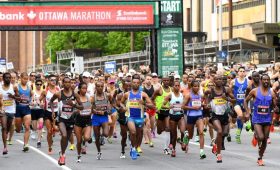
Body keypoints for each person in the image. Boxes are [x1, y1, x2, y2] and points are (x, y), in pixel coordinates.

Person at [244, 74, 278, 166]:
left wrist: (275, 108)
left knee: (265, 139)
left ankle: (260, 157)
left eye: (268, 80)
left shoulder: (272, 92)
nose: (266, 81)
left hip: (267, 119)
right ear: (261, 81)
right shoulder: (254, 91)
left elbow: (275, 105)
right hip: (257, 118)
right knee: (261, 137)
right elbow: (245, 101)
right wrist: (247, 112)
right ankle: (256, 136)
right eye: (264, 80)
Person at [50, 76, 83, 166]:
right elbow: (51, 101)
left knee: (66, 139)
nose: (68, 84)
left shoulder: (75, 94)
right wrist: (53, 111)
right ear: (63, 83)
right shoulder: (59, 94)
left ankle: (62, 153)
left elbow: (82, 107)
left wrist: (74, 105)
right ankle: (63, 155)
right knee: (64, 135)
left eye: (69, 82)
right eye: (66, 82)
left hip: (71, 119)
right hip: (61, 118)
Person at [120, 74, 155, 160]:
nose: (135, 84)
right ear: (132, 83)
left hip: (140, 118)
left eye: (137, 83)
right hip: (130, 117)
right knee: (133, 132)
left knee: (139, 135)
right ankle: (133, 148)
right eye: (134, 82)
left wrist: (143, 103)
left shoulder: (143, 94)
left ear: (139, 84)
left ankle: (136, 146)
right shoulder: (127, 94)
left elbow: (152, 105)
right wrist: (123, 107)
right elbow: (120, 102)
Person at [205, 74, 235, 163]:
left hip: (224, 115)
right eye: (216, 79)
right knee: (220, 131)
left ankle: (215, 144)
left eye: (220, 79)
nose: (218, 80)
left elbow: (234, 100)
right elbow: (205, 94)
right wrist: (207, 103)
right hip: (215, 115)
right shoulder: (210, 90)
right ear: (214, 81)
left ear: (222, 81)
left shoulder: (227, 90)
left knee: (225, 133)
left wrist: (227, 99)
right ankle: (219, 155)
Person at [182, 80, 206, 159]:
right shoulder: (188, 95)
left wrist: (203, 105)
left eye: (198, 86)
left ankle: (202, 151)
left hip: (199, 115)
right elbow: (183, 106)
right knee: (191, 136)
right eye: (195, 86)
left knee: (201, 132)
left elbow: (201, 104)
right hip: (191, 116)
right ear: (192, 87)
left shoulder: (200, 95)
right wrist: (193, 108)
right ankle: (186, 137)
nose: (196, 87)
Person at [162, 81, 186, 157]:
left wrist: (183, 106)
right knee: (174, 134)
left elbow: (185, 105)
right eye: (175, 85)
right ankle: (173, 150)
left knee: (183, 131)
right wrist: (169, 107)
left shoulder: (182, 95)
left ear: (180, 86)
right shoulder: (170, 95)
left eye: (178, 85)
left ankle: (182, 142)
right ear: (173, 87)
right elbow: (163, 105)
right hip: (172, 116)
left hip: (180, 115)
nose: (177, 87)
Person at [91, 81, 113, 160]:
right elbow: (91, 109)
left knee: (106, 134)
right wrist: (96, 111)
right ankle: (99, 151)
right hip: (96, 118)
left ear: (103, 87)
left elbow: (111, 103)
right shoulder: (93, 97)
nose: (100, 88)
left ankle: (102, 137)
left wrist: (109, 109)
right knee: (96, 137)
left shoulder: (107, 95)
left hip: (104, 117)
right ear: (96, 87)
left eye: (101, 86)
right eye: (98, 86)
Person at [40, 74, 60, 154]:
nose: (53, 81)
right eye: (51, 80)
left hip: (56, 112)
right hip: (47, 112)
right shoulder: (45, 91)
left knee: (56, 129)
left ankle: (53, 132)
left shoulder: (58, 90)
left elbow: (61, 100)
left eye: (55, 80)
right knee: (49, 131)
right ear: (48, 81)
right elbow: (39, 99)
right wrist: (40, 103)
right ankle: (50, 147)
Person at [152, 76, 172, 155]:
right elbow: (152, 98)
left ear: (169, 81)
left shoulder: (171, 90)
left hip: (167, 111)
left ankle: (165, 148)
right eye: (165, 80)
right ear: (162, 81)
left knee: (167, 128)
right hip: (159, 112)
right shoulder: (159, 90)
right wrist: (155, 107)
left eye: (168, 80)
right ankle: (156, 128)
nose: (166, 82)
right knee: (159, 131)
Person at [0, 72, 18, 155]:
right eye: (6, 78)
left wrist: (13, 96)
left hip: (11, 110)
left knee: (8, 127)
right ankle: (5, 147)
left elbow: (19, 99)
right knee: (3, 127)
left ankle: (6, 135)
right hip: (3, 110)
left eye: (9, 78)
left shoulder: (13, 87)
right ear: (3, 79)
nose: (8, 79)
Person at [229, 66, 249, 144]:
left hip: (244, 102)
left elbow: (250, 91)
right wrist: (232, 99)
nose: (242, 72)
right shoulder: (233, 81)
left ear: (245, 72)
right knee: (240, 115)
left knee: (242, 119)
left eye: (243, 71)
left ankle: (238, 134)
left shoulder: (248, 81)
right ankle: (247, 124)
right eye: (240, 71)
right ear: (238, 72)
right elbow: (229, 91)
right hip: (236, 102)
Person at [74, 82, 92, 163]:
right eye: (83, 88)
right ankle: (78, 155)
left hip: (87, 120)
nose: (84, 90)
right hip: (78, 121)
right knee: (78, 141)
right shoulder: (76, 98)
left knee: (87, 137)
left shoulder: (88, 97)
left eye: (85, 88)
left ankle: (87, 139)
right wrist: (77, 111)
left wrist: (91, 111)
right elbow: (73, 109)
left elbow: (91, 107)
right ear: (79, 89)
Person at [15, 72, 33, 152]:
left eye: (27, 79)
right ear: (20, 78)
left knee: (27, 127)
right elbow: (13, 96)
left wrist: (32, 101)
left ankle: (25, 144)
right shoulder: (17, 87)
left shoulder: (29, 87)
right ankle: (18, 128)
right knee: (18, 129)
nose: (25, 80)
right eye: (24, 79)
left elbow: (32, 96)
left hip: (26, 108)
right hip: (18, 109)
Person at [115, 78, 131, 158]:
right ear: (123, 86)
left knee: (133, 133)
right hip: (123, 117)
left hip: (132, 116)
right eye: (126, 86)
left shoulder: (135, 94)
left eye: (129, 86)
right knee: (124, 135)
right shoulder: (120, 95)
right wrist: (120, 109)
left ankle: (133, 149)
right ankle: (122, 151)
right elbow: (117, 105)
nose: (128, 87)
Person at [30, 79, 44, 148]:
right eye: (37, 84)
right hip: (33, 110)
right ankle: (32, 129)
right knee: (35, 127)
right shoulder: (33, 92)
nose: (39, 86)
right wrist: (33, 103)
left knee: (40, 125)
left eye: (40, 84)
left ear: (42, 85)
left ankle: (39, 141)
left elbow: (44, 102)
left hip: (40, 110)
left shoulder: (43, 92)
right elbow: (30, 102)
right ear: (35, 85)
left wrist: (42, 104)